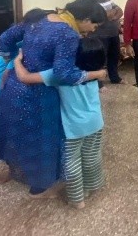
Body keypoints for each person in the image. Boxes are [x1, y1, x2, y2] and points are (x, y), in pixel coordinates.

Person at [0, 0, 106, 197]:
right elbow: (64, 74)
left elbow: (4, 38)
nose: (92, 30)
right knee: (41, 138)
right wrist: (95, 74)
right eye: (94, 25)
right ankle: (39, 186)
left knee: (3, 128)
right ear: (86, 19)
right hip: (39, 92)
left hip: (14, 85)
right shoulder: (68, 33)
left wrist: (12, 60)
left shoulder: (40, 17)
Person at [15, 36, 107, 209]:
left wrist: (17, 61)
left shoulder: (60, 75)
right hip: (95, 122)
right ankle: (89, 187)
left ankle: (77, 199)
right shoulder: (97, 72)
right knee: (91, 157)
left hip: (73, 128)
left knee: (72, 162)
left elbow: (24, 77)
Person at [86, 0, 125, 89]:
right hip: (98, 36)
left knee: (114, 57)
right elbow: (96, 18)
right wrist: (108, 14)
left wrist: (112, 16)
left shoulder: (107, 0)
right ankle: (98, 83)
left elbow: (120, 11)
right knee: (99, 60)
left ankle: (115, 78)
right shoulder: (87, 3)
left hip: (113, 34)